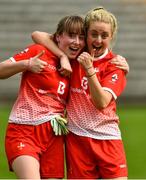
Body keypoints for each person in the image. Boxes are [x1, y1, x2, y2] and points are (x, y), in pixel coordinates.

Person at [32, 7, 128, 179]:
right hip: (77, 140)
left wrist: (89, 70)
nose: (98, 40)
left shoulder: (115, 65)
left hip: (107, 139)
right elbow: (37, 35)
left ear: (111, 36)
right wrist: (62, 56)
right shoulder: (75, 55)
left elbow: (101, 102)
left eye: (104, 35)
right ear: (86, 35)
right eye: (94, 34)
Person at [0, 15, 85, 179]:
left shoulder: (78, 63)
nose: (76, 42)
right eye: (71, 35)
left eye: (81, 37)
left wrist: (119, 62)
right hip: (24, 130)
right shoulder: (39, 52)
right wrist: (27, 64)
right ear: (58, 37)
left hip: (54, 136)